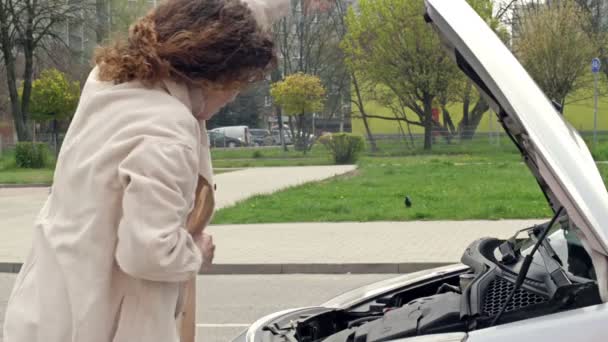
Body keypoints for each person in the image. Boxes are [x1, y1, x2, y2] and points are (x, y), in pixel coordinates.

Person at [1, 0, 313, 341]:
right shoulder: (168, 130)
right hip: (97, 324)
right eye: (235, 81)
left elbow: (221, 17)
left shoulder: (109, 81)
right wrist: (195, 251)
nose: (234, 96)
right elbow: (148, 252)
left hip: (43, 307)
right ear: (209, 72)